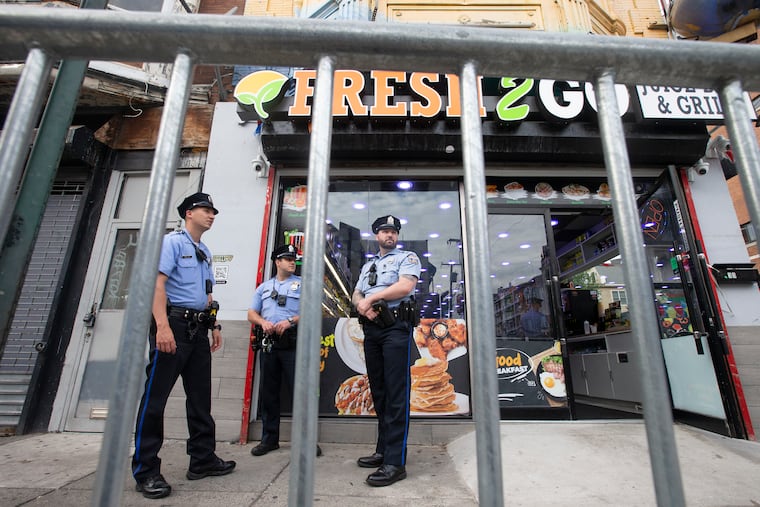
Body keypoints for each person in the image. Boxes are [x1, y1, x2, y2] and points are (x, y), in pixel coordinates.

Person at [131, 192, 236, 500]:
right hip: (173, 326)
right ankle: (146, 470)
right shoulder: (172, 243)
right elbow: (157, 284)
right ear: (189, 213)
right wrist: (162, 326)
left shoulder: (204, 251)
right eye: (206, 210)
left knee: (201, 399)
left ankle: (202, 459)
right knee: (156, 399)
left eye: (214, 211)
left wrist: (214, 324)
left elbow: (205, 295)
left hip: (197, 330)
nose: (212, 215)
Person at [352, 215, 421, 487]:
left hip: (395, 327)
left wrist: (370, 298)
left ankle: (395, 462)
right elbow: (356, 292)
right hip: (372, 328)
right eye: (384, 231)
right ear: (376, 235)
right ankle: (383, 450)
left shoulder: (407, 257)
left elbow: (406, 285)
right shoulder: (369, 265)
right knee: (379, 391)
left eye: (393, 231)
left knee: (395, 393)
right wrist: (361, 305)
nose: (389, 235)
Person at [248, 244, 322, 457]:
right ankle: (269, 439)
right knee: (269, 393)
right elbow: (251, 313)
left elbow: (314, 310)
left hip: (294, 344)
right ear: (277, 262)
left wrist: (290, 320)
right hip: (270, 344)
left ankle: (307, 441)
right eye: (288, 259)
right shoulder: (263, 287)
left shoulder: (303, 285)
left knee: (300, 393)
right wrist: (262, 322)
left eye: (294, 259)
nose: (292, 262)